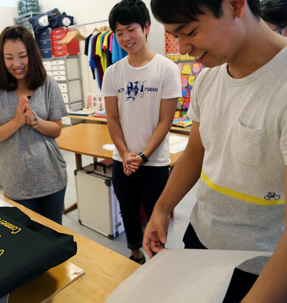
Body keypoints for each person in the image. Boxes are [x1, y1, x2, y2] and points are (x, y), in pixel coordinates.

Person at [144, 0, 287, 302]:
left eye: (191, 31)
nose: (183, 48)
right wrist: (161, 207)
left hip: (259, 266)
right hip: (200, 238)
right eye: (175, 35)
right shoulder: (208, 78)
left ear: (235, 5)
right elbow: (196, 152)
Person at [101, 0, 181, 264]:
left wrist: (143, 157)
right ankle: (135, 254)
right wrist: (125, 155)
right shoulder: (112, 73)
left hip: (154, 162)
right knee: (128, 210)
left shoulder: (166, 68)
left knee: (158, 213)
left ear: (146, 27)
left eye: (130, 29)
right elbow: (112, 119)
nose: (125, 37)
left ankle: (158, 259)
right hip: (122, 161)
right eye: (119, 32)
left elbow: (165, 121)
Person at [0, 25, 68, 225]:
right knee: (28, 242)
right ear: (2, 58)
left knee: (54, 236)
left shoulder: (47, 84)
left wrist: (34, 120)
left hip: (52, 177)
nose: (16, 64)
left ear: (32, 55)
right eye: (9, 58)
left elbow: (57, 129)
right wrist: (18, 121)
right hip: (17, 184)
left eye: (22, 56)